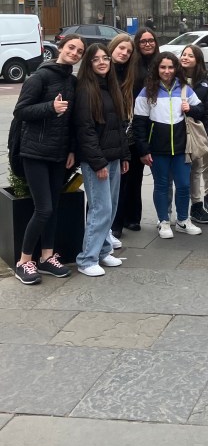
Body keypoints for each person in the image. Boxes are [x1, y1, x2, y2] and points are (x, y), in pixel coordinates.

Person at [12, 34, 86, 285]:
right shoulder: (39, 77)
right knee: (43, 208)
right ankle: (23, 261)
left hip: (59, 154)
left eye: (79, 51)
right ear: (61, 48)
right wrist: (50, 108)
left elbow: (73, 121)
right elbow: (21, 111)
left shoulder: (73, 82)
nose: (74, 53)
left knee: (53, 207)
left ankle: (46, 257)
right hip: (35, 152)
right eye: (71, 48)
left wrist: (72, 150)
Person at [132, 52, 204, 239]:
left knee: (184, 185)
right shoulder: (147, 91)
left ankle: (183, 220)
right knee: (161, 185)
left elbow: (202, 110)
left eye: (170, 67)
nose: (167, 71)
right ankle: (163, 221)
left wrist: (191, 109)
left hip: (182, 148)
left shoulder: (185, 89)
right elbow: (139, 123)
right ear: (156, 69)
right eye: (163, 67)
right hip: (157, 148)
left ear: (176, 68)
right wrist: (143, 149)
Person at [74, 44, 129, 277]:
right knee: (101, 209)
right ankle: (87, 259)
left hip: (114, 157)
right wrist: (98, 163)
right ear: (89, 63)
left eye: (105, 58)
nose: (102, 62)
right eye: (96, 59)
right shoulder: (86, 90)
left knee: (111, 207)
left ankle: (103, 250)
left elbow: (120, 126)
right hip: (97, 161)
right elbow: (85, 130)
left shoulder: (111, 86)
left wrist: (124, 155)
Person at [120, 27, 160, 231]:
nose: (147, 44)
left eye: (150, 40)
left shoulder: (161, 63)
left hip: (158, 124)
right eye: (143, 41)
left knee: (159, 177)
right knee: (131, 174)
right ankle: (129, 217)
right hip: (135, 123)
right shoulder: (131, 64)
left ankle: (161, 217)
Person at [180, 44, 208, 225]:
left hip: (194, 132)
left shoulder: (204, 83)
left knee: (196, 168)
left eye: (190, 55)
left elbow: (207, 114)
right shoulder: (172, 78)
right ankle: (169, 213)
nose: (185, 57)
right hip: (175, 132)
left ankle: (196, 206)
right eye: (184, 54)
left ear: (198, 60)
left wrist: (205, 139)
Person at [107, 32, 137, 244]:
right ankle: (101, 231)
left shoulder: (128, 75)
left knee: (119, 185)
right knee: (101, 190)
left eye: (128, 51)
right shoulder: (102, 70)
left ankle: (115, 226)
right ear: (113, 47)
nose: (124, 53)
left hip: (122, 136)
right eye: (121, 48)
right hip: (103, 138)